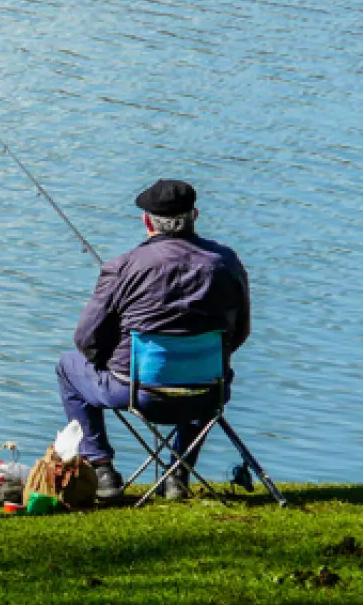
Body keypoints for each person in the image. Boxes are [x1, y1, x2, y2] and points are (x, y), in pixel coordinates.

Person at [56, 179, 250, 500]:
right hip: (207, 394)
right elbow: (239, 332)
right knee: (202, 373)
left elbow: (86, 339)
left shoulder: (122, 267)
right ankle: (179, 473)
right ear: (195, 215)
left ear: (147, 221)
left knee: (67, 366)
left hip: (138, 391)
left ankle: (102, 470)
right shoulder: (227, 262)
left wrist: (106, 360)